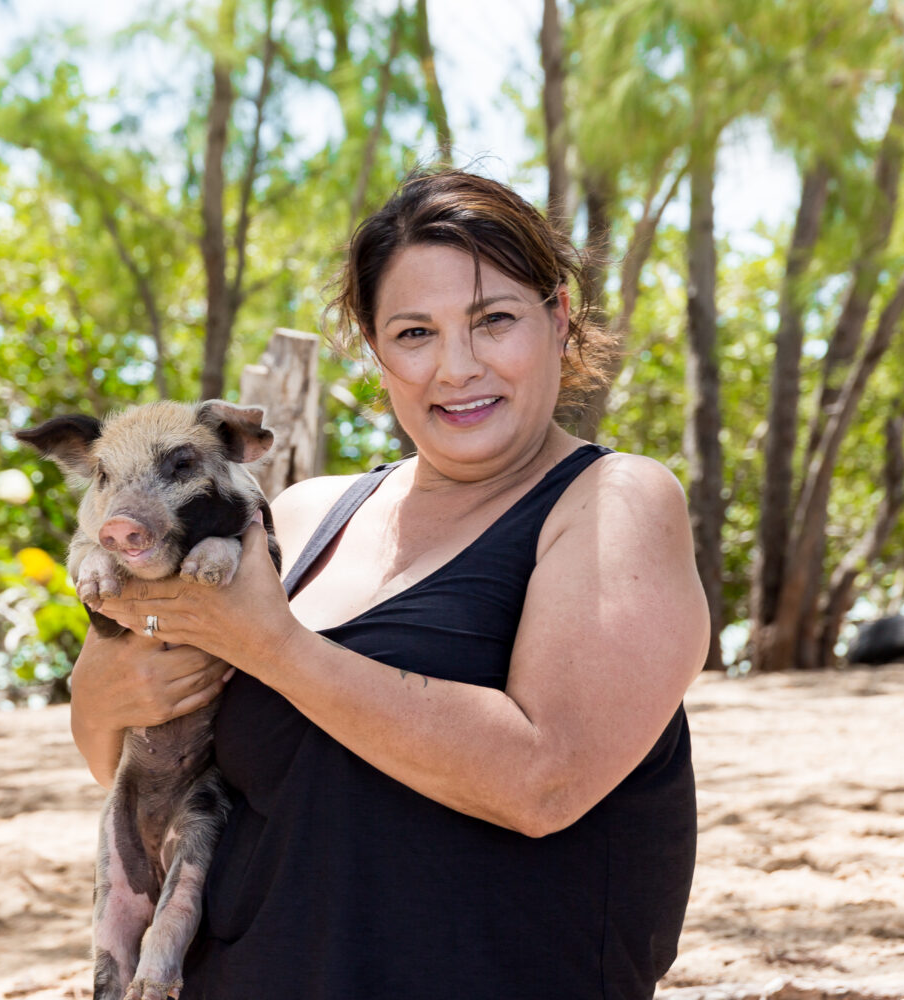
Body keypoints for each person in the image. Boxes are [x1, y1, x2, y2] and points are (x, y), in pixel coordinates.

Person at [69, 169, 709, 999]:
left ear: (558, 321)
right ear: (376, 351)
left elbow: (544, 781)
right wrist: (107, 673)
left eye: (494, 320)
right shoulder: (297, 519)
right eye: (414, 333)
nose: (457, 367)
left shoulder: (616, 501)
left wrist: (273, 647)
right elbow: (120, 758)